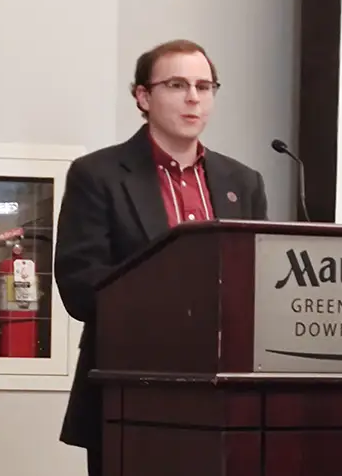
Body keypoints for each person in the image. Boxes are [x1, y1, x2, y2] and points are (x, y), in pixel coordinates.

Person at [54, 39, 268, 476]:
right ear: (143, 96)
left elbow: (260, 281)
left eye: (205, 86)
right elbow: (80, 284)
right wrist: (177, 308)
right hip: (131, 392)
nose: (194, 97)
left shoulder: (243, 181)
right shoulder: (98, 175)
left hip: (228, 401)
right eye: (177, 84)